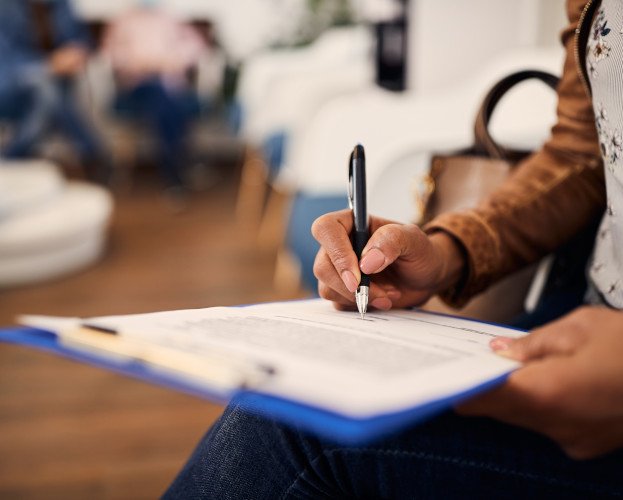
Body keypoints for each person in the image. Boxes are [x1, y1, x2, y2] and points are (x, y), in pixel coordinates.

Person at [164, 0, 623, 497]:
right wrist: (447, 251)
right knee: (303, 396)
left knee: (296, 430)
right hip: (578, 318)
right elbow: (581, 153)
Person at [101, 1, 207, 193]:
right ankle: (179, 167)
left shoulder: (171, 19)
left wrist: (172, 60)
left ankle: (173, 172)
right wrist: (140, 63)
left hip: (170, 86)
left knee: (165, 99)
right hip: (137, 87)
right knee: (162, 96)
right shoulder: (124, 21)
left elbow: (195, 47)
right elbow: (111, 54)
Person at [0, 0, 109, 183]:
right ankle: (93, 154)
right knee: (49, 91)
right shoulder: (5, 8)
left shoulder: (62, 5)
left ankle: (11, 160)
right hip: (12, 88)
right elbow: (6, 61)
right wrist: (48, 65)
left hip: (57, 86)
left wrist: (76, 52)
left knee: (51, 93)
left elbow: (82, 38)